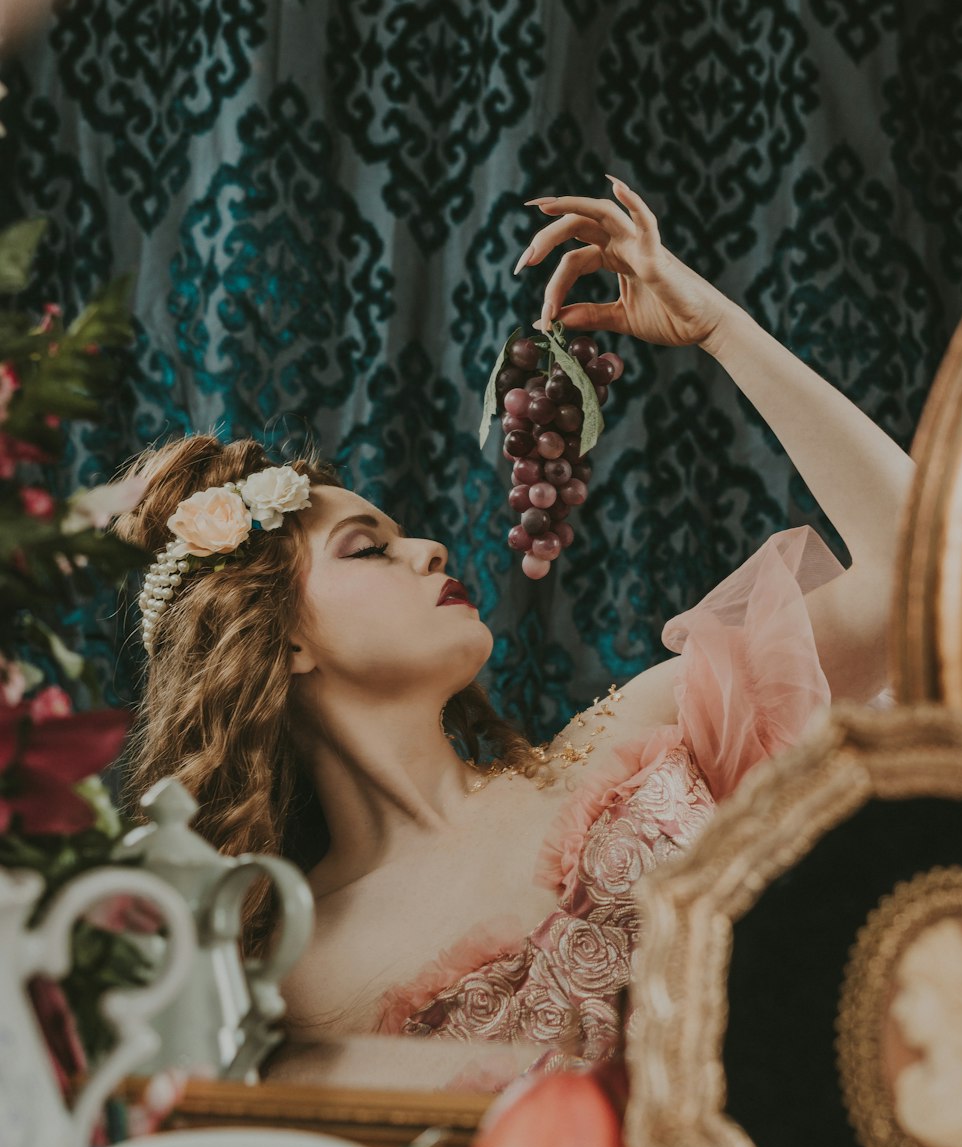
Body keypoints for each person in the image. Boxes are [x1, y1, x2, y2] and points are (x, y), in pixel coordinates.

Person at [114, 181, 912, 1084]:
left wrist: (717, 327)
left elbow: (916, 568)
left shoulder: (638, 734)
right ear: (280, 641)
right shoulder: (290, 975)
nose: (428, 547)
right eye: (367, 548)